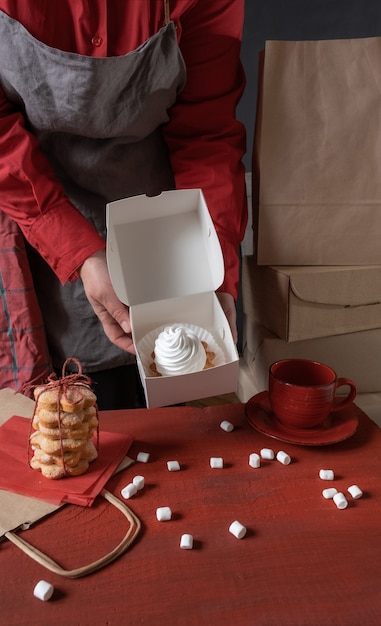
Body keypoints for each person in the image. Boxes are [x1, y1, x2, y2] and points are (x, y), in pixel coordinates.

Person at [0, 0, 247, 409]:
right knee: (78, 422)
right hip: (34, 209)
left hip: (164, 229)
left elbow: (207, 135)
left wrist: (213, 267)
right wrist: (77, 251)